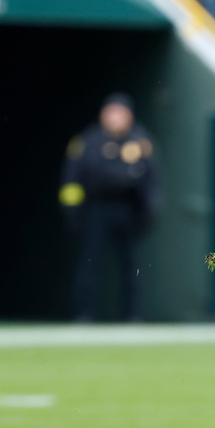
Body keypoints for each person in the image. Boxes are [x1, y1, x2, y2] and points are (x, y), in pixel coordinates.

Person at [58, 93, 160, 322]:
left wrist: (149, 211)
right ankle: (83, 314)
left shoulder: (141, 142)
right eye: (111, 113)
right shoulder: (87, 141)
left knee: (132, 267)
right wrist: (73, 213)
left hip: (128, 210)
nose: (115, 118)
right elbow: (72, 180)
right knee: (90, 264)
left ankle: (132, 315)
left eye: (120, 113)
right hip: (97, 209)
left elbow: (152, 181)